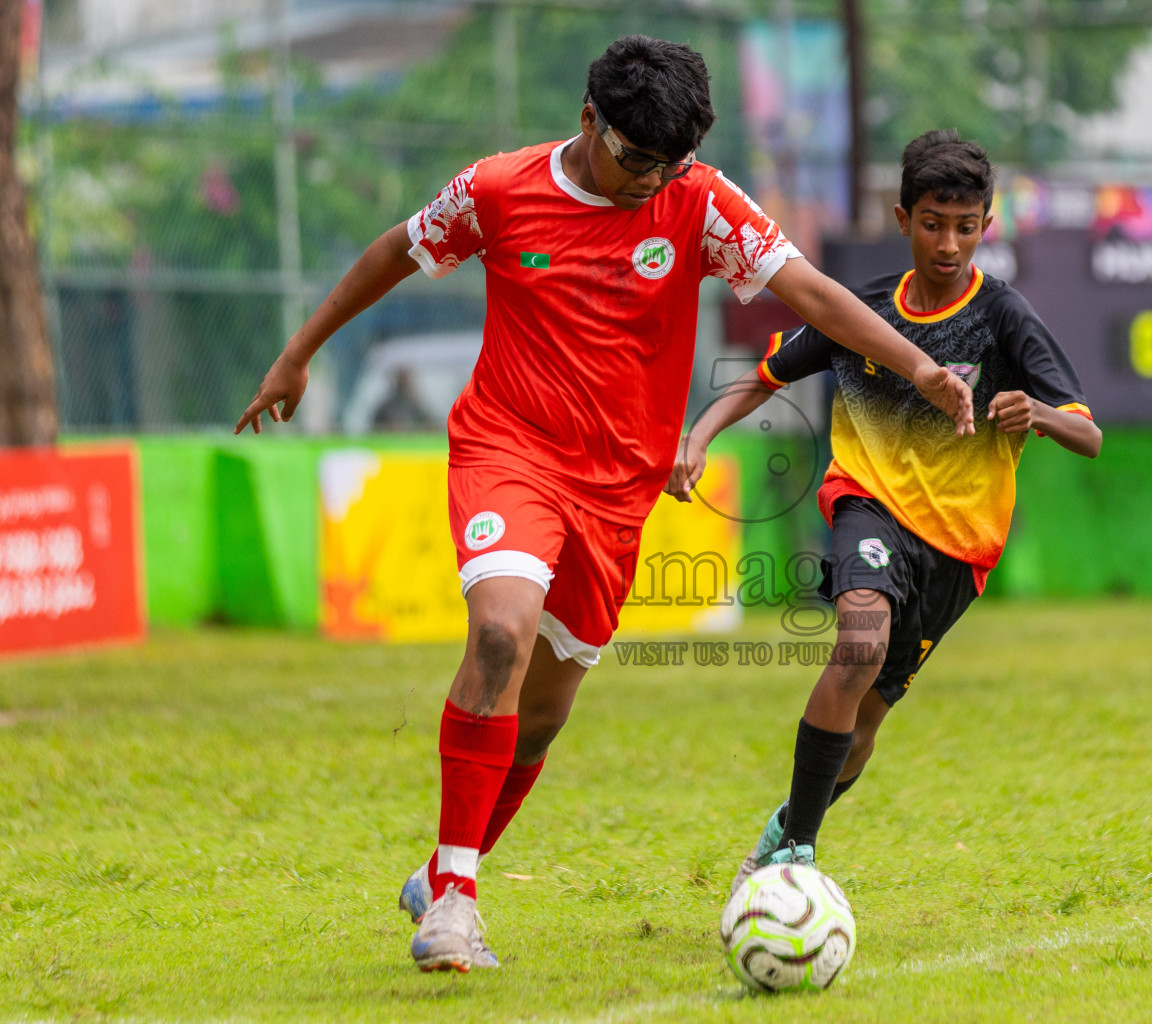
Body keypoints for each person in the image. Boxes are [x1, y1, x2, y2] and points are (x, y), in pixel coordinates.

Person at [234, 37, 974, 973]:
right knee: (498, 633)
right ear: (590, 119)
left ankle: (442, 867)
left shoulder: (698, 199)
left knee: (540, 717)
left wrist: (916, 364)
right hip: (508, 451)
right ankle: (457, 903)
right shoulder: (499, 190)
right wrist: (300, 351)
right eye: (636, 159)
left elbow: (813, 295)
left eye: (669, 164)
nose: (649, 181)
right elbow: (395, 250)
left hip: (617, 494)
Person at [665, 129, 1101, 890]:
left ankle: (782, 830)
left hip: (958, 554)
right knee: (859, 642)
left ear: (987, 226)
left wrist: (1037, 411)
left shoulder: (1004, 316)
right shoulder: (860, 311)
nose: (949, 242)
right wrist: (697, 435)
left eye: (966, 227)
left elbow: (1089, 433)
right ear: (902, 218)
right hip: (867, 505)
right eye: (933, 222)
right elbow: (766, 373)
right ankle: (798, 855)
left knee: (863, 728)